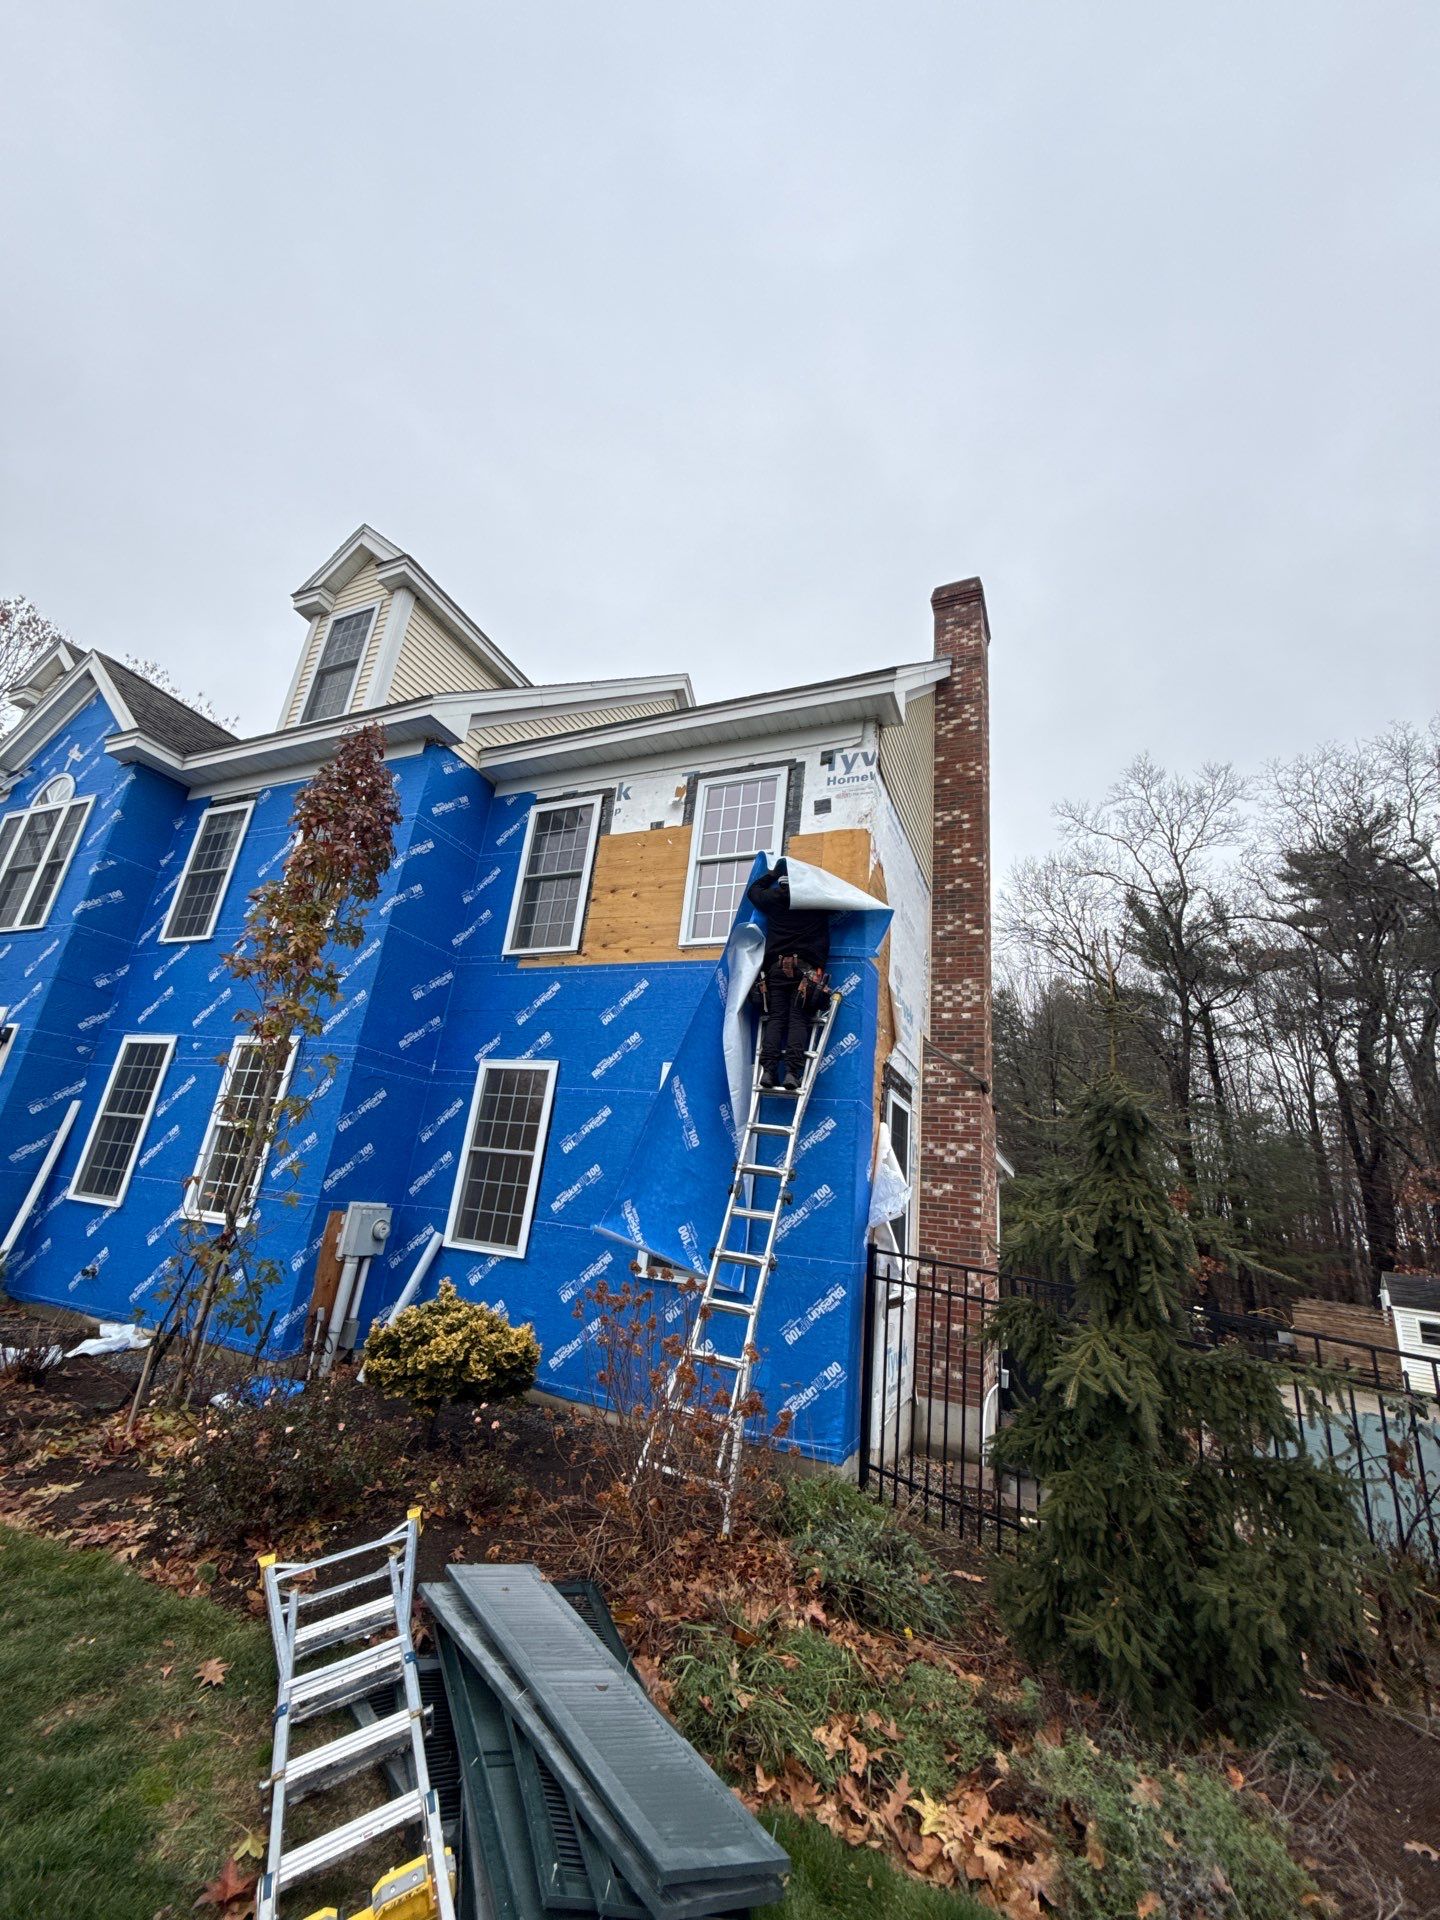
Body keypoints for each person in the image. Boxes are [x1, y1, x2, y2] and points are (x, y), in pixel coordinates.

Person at [745, 859, 831, 1091]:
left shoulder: (774, 900)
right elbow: (837, 897)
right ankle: (792, 1073)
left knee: (777, 1019)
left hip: (777, 970)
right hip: (806, 973)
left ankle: (769, 1071)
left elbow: (753, 891)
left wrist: (772, 874)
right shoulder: (816, 901)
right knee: (798, 1020)